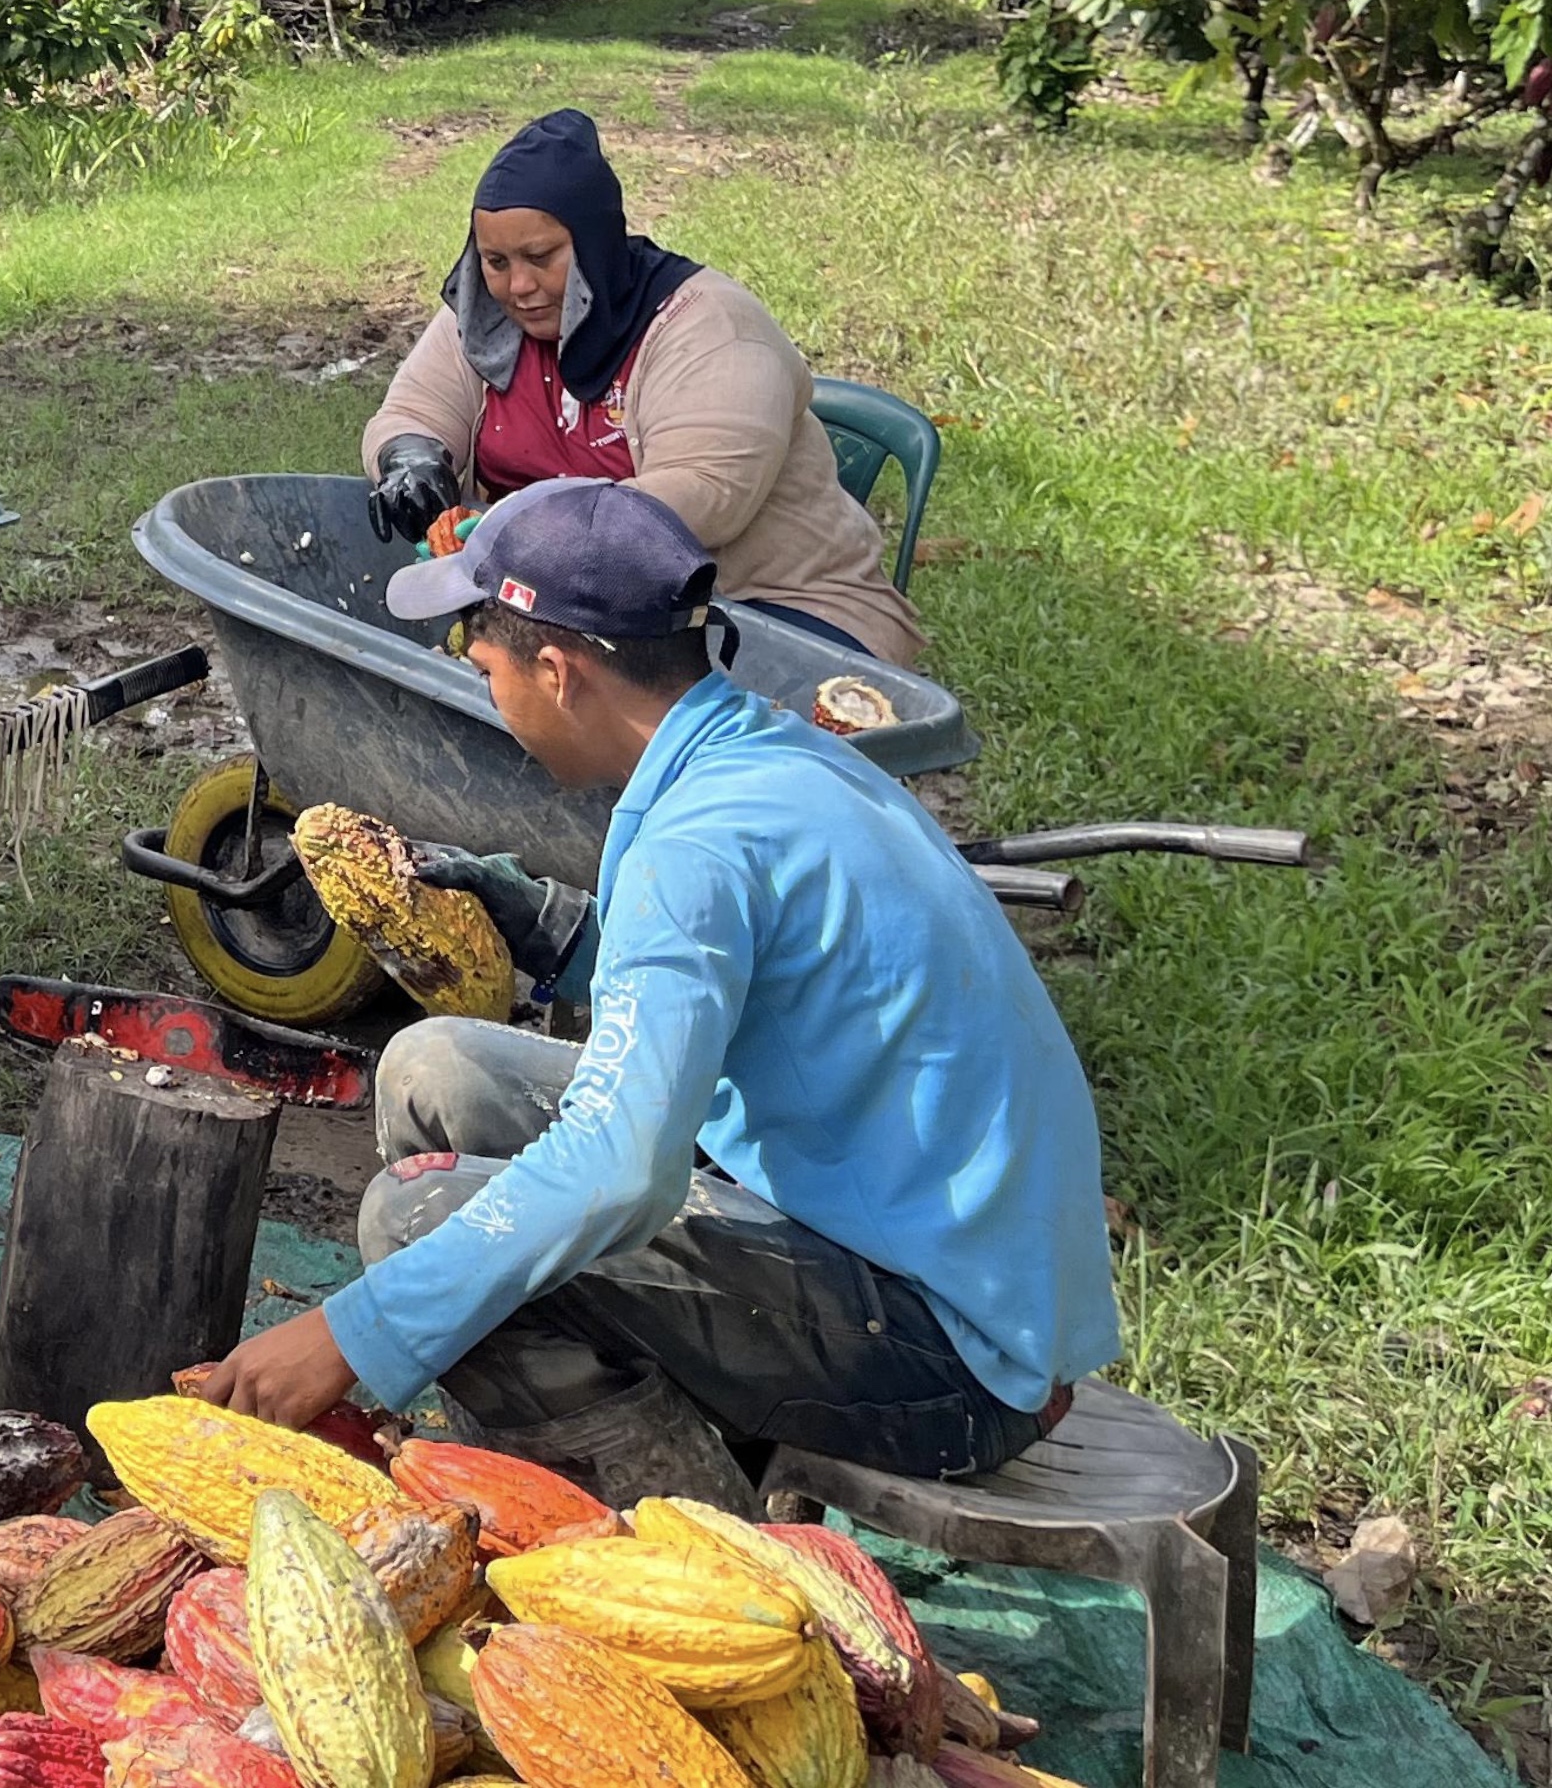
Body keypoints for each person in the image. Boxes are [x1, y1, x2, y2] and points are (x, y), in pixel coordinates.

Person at [183, 482, 1116, 1503]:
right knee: (434, 1066)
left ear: (559, 669)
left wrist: (350, 1332)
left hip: (956, 1366)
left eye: (486, 668)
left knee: (420, 1222)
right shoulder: (769, 754)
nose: (486, 695)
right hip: (905, 1252)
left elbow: (622, 1168)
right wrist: (554, 933)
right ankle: (580, 1425)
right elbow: (756, 989)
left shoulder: (698, 844)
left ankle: (666, 1547)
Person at [362, 108, 924, 666]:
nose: (519, 286)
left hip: (768, 614)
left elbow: (703, 498)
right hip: (578, 616)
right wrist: (411, 457)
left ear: (595, 246)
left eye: (541, 257)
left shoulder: (712, 328)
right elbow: (415, 409)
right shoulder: (485, 316)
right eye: (495, 261)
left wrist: (517, 528)